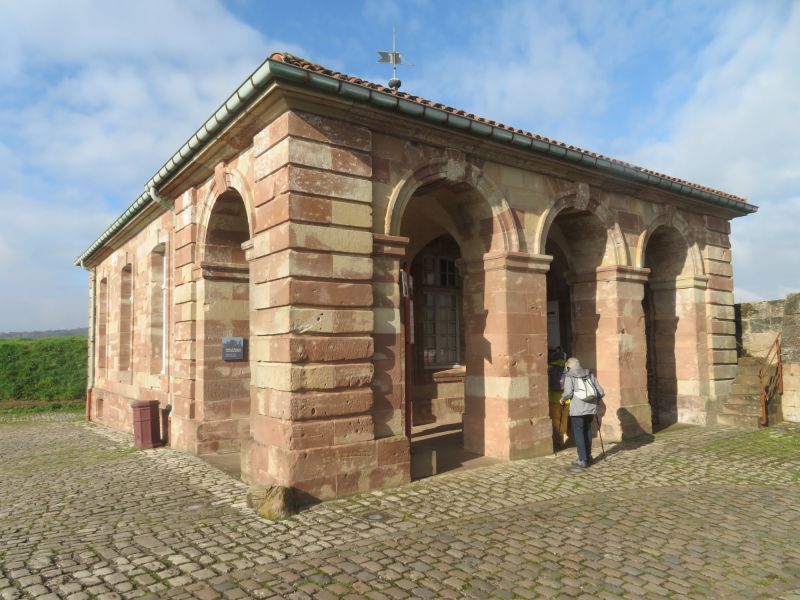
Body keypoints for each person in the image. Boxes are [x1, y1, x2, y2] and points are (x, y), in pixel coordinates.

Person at [559, 357, 604, 468]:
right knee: (587, 431)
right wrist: (596, 401)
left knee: (579, 433)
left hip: (578, 409)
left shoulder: (570, 375)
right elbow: (600, 391)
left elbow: (568, 393)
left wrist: (562, 399)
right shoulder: (588, 373)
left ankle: (582, 459)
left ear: (568, 367)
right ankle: (588, 457)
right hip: (590, 408)